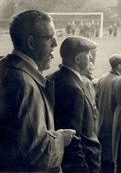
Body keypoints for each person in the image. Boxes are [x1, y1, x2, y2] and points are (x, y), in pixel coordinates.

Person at [0, 10, 76, 172]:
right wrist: (61, 138)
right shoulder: (25, 83)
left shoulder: (6, 68)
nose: (55, 44)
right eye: (50, 38)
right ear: (31, 42)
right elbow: (39, 152)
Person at [47, 36, 101, 173]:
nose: (91, 59)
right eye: (88, 55)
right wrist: (83, 169)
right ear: (77, 59)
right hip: (81, 165)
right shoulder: (73, 88)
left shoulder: (52, 78)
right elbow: (72, 138)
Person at [96, 54, 121, 173]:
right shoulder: (118, 80)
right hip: (114, 122)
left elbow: (97, 100)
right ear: (118, 66)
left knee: (104, 157)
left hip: (102, 121)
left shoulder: (102, 78)